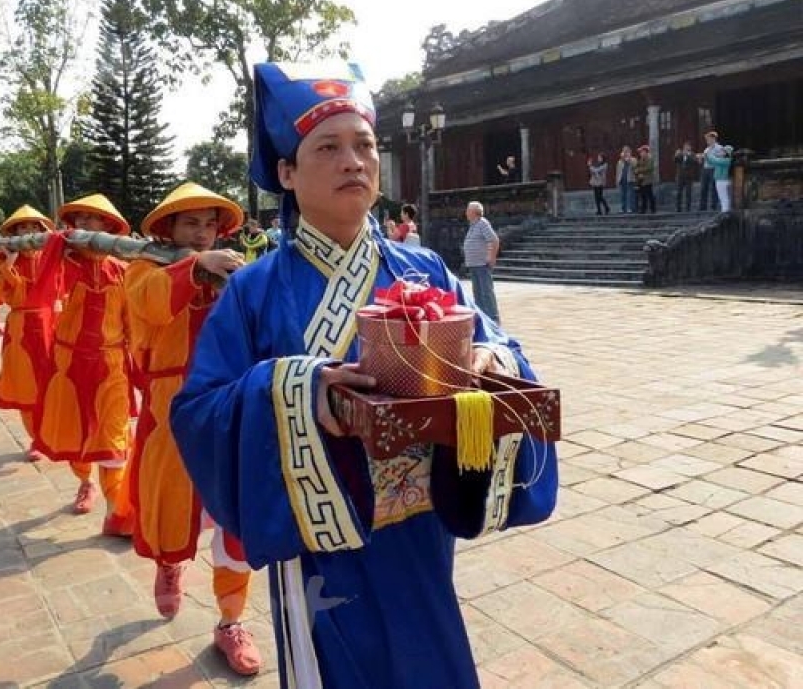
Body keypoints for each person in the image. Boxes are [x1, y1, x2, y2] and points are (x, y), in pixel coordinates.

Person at [170, 61, 558, 689]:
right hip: (320, 549)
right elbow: (198, 411)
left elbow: (494, 340)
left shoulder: (426, 267)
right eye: (328, 147)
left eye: (365, 145)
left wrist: (491, 362)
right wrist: (299, 391)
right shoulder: (253, 291)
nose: (353, 161)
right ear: (287, 173)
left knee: (434, 662)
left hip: (420, 531)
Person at [124, 182, 262, 676]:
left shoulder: (235, 271)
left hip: (230, 406)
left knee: (236, 519)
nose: (202, 234)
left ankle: (230, 623)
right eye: (190, 224)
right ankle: (169, 561)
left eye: (209, 224)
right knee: (171, 504)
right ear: (168, 228)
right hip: (172, 408)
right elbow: (150, 306)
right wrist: (194, 268)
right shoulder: (144, 267)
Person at [33, 194, 134, 536]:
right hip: (69, 362)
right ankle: (84, 482)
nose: (89, 227)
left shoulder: (123, 271)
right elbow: (38, 296)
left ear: (109, 227)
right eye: (83, 220)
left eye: (96, 221)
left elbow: (133, 321)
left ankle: (115, 511)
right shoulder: (59, 264)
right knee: (75, 433)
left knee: (113, 436)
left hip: (112, 363)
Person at [0, 205, 59, 463]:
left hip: (50, 323)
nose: (29, 233)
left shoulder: (51, 257)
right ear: (14, 233)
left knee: (54, 384)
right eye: (22, 228)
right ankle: (36, 438)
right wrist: (8, 265)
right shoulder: (0, 260)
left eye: (33, 227)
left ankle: (53, 432)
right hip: (19, 329)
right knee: (25, 388)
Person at [463, 201, 501, 323]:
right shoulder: (473, 225)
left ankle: (493, 318)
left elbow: (494, 240)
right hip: (474, 265)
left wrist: (492, 257)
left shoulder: (482, 223)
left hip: (482, 264)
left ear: (474, 212)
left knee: (486, 292)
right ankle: (482, 316)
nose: (466, 212)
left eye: (468, 210)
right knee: (478, 293)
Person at [704, 145, 734, 213]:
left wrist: (708, 154)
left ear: (726, 153)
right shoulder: (722, 159)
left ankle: (725, 211)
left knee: (723, 197)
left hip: (722, 180)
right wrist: (706, 157)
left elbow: (715, 160)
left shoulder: (726, 160)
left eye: (723, 151)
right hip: (719, 180)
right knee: (722, 197)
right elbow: (711, 162)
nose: (721, 152)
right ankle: (725, 211)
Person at [698, 130, 721, 212]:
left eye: (709, 139)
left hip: (713, 169)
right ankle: (702, 207)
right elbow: (703, 160)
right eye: (707, 139)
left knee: (713, 188)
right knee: (703, 188)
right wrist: (700, 158)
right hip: (706, 169)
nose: (707, 140)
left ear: (713, 139)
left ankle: (713, 206)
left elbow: (720, 158)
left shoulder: (719, 148)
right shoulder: (706, 149)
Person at [673, 141, 699, 212]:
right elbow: (675, 160)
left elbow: (696, 162)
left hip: (689, 177)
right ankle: (678, 208)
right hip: (680, 177)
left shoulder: (693, 154)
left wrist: (688, 155)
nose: (687, 148)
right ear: (683, 147)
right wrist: (676, 155)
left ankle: (688, 208)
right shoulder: (680, 154)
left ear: (690, 148)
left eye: (688, 147)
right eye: (685, 147)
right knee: (679, 193)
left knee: (688, 193)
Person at [634, 145, 656, 213]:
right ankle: (643, 209)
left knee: (649, 194)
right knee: (643, 195)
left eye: (642, 152)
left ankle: (653, 208)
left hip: (648, 180)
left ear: (646, 152)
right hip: (641, 180)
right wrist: (637, 171)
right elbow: (636, 167)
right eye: (640, 152)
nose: (641, 153)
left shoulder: (650, 159)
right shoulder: (640, 159)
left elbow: (649, 168)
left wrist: (639, 170)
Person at [615, 145, 637, 214]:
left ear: (629, 152)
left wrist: (629, 159)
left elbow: (634, 166)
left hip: (630, 179)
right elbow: (618, 171)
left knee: (629, 194)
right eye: (624, 151)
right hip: (622, 180)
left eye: (626, 151)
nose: (625, 153)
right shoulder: (620, 162)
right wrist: (617, 180)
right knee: (622, 195)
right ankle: (623, 208)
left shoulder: (633, 159)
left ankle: (630, 208)